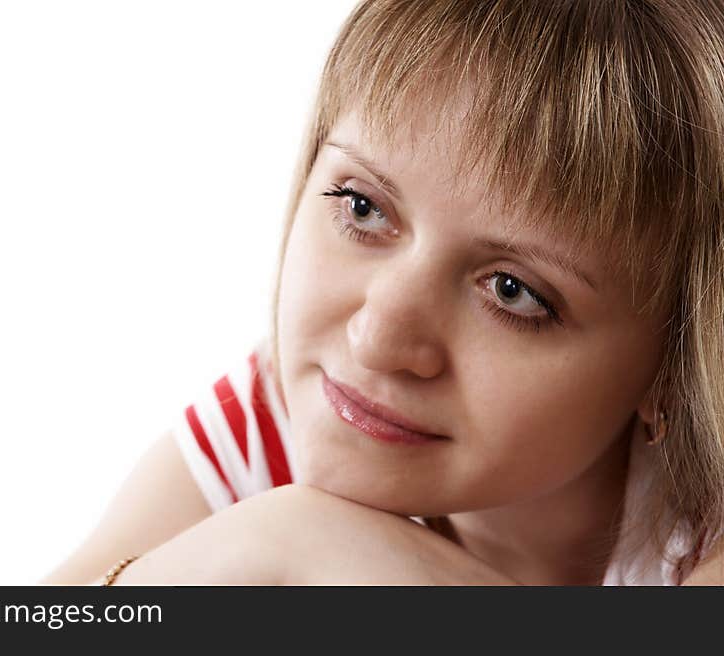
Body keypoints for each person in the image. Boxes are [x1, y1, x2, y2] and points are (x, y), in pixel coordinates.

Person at [41, 0, 724, 585]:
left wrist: (295, 552)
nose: (377, 338)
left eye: (513, 291)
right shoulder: (270, 418)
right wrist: (270, 544)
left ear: (675, 363)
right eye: (363, 208)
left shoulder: (704, 522)